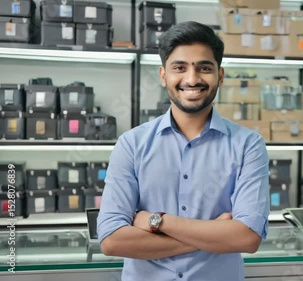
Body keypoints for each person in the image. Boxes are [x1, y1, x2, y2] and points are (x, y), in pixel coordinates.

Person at [97, 21, 270, 281]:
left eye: (204, 68)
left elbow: (247, 238)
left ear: (220, 76)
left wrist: (157, 221)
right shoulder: (131, 144)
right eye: (179, 67)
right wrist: (214, 235)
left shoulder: (248, 145)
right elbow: (112, 241)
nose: (192, 79)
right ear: (163, 75)